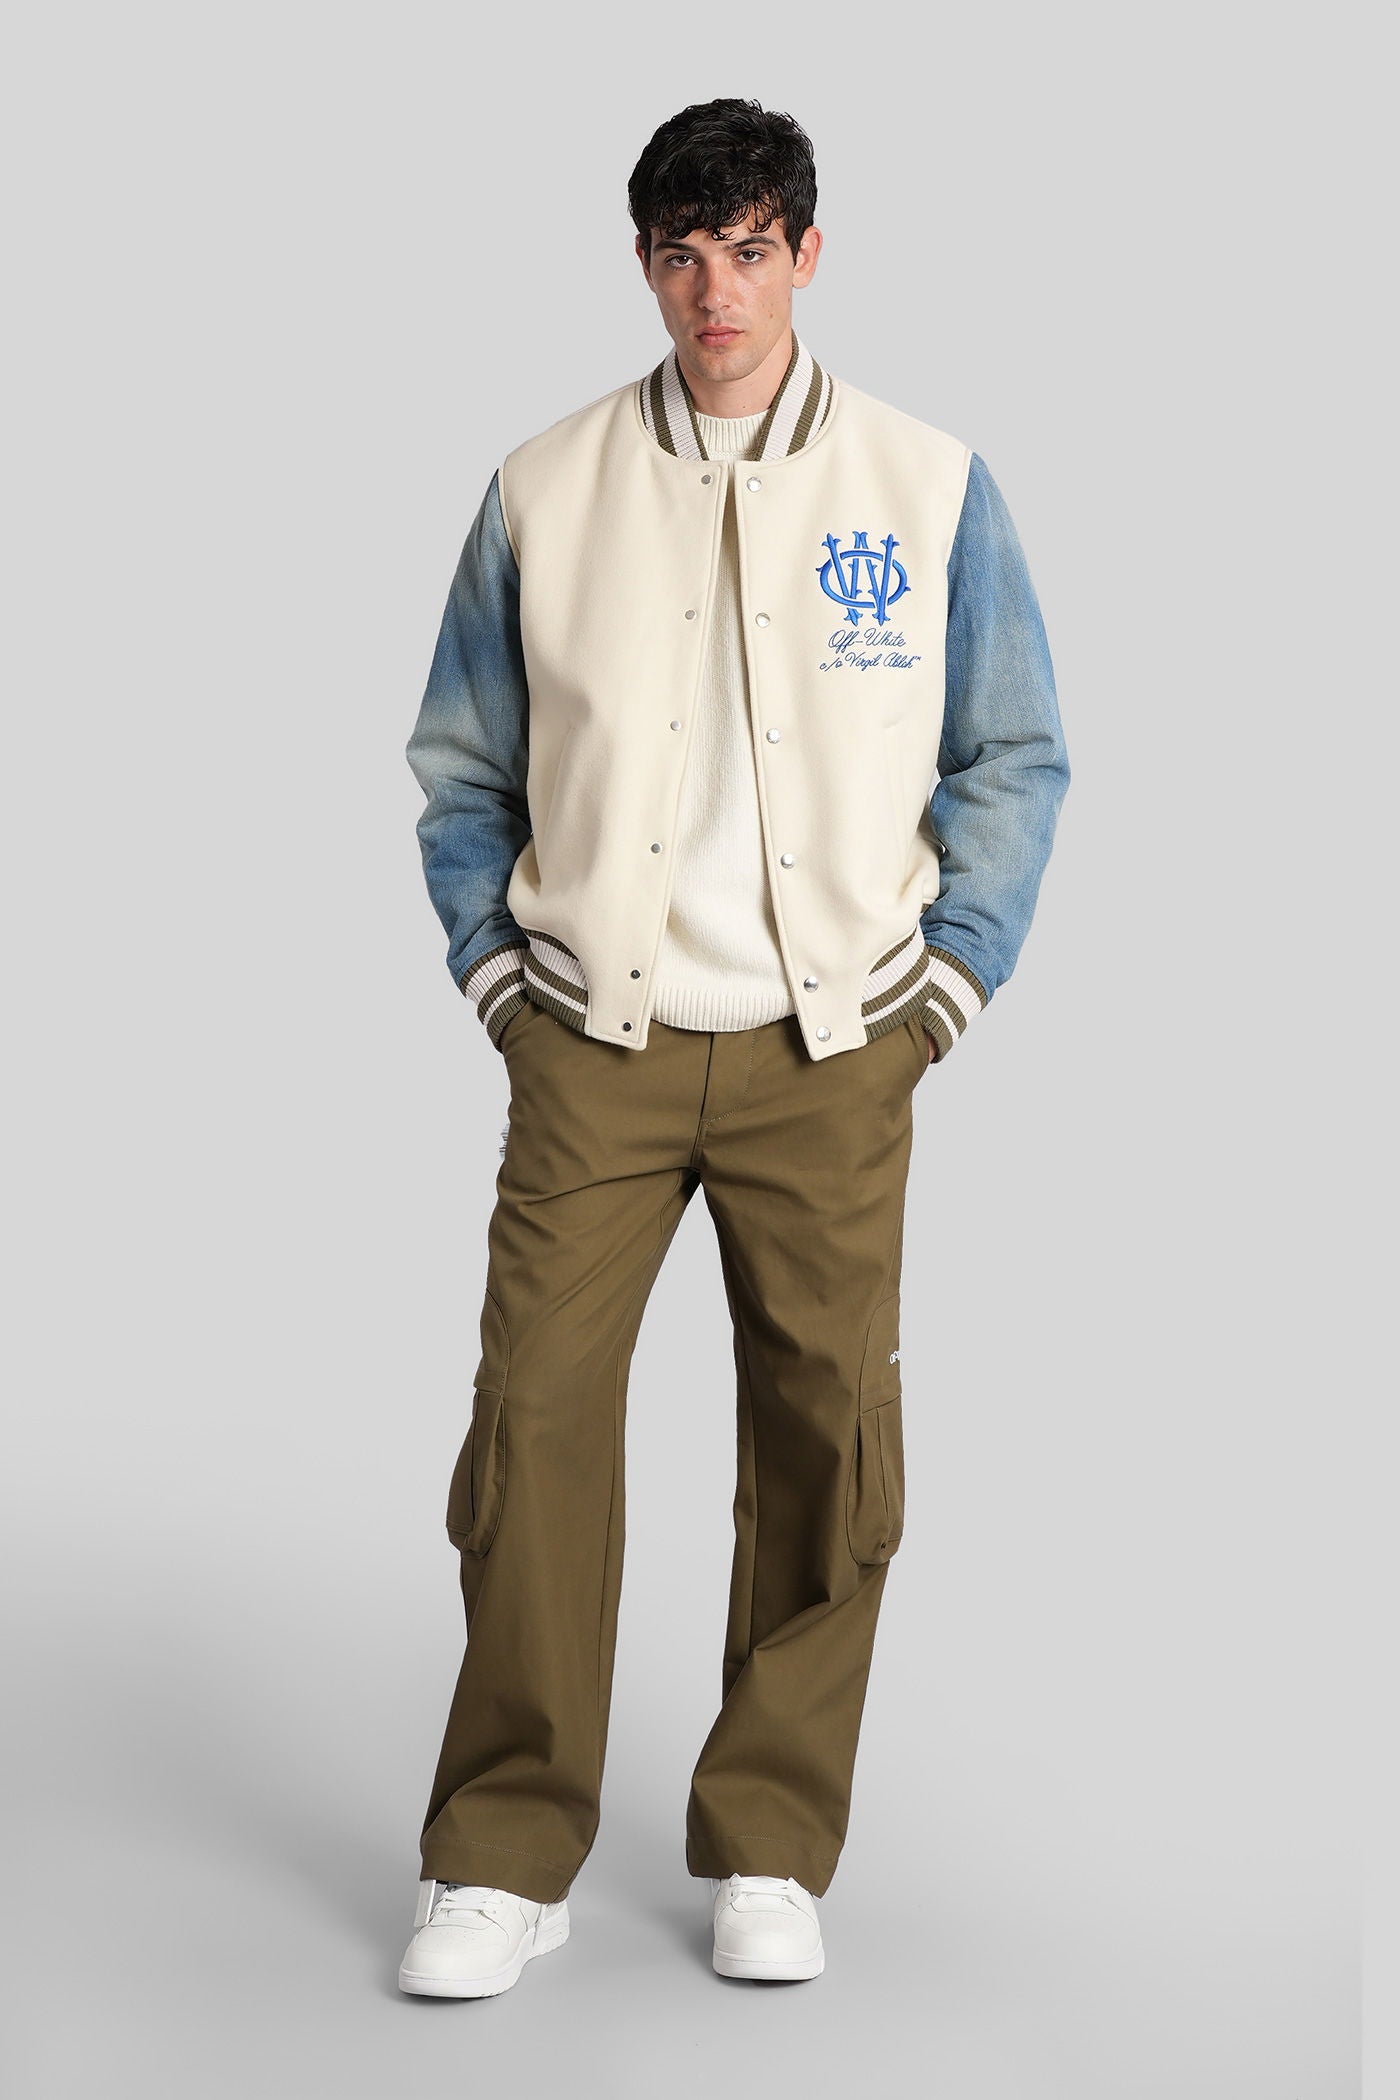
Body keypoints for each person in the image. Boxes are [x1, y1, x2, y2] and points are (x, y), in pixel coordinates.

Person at [398, 95, 1070, 1999]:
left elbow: (1013, 753)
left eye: (752, 250)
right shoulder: (541, 489)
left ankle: (772, 1840)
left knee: (826, 1435)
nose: (718, 291)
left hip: (832, 1051)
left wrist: (945, 991)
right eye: (684, 255)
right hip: (593, 1048)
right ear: (643, 266)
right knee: (534, 1423)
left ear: (808, 255)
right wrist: (498, 982)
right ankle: (502, 1853)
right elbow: (461, 764)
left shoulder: (928, 486)